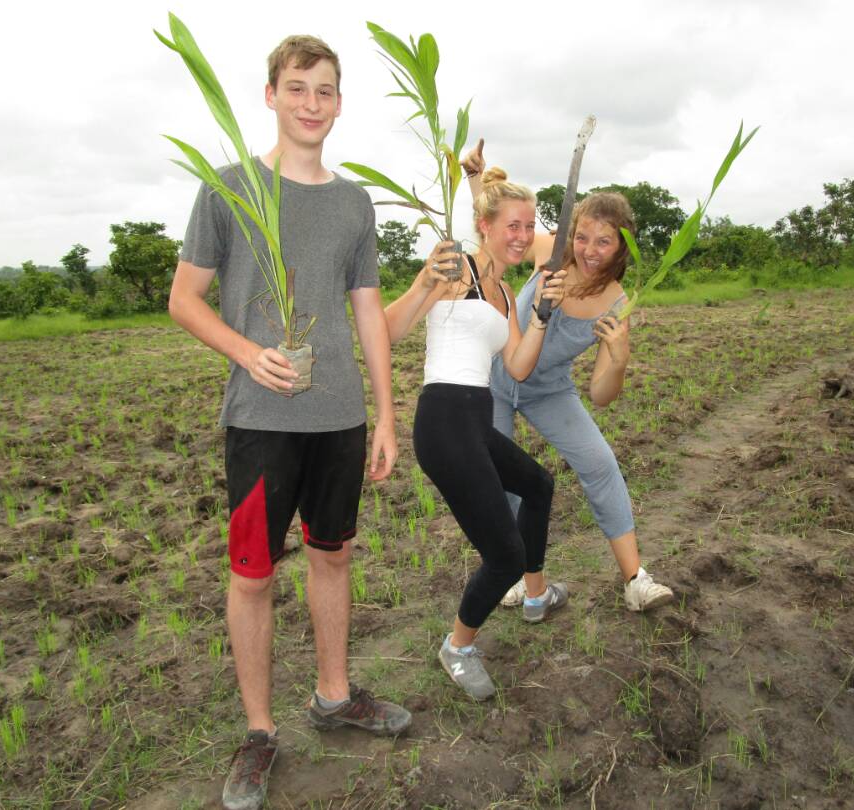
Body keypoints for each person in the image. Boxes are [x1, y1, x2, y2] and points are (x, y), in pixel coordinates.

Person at [168, 35, 409, 810]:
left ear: (340, 103)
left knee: (333, 556)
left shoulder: (354, 203)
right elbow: (183, 300)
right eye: (298, 87)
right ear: (270, 95)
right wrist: (248, 353)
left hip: (339, 419)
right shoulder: (229, 189)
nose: (312, 103)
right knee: (253, 573)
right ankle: (259, 732)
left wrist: (385, 414)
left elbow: (367, 311)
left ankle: (334, 696)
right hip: (260, 419)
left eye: (325, 90)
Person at [461, 142, 675, 613]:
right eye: (583, 237)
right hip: (493, 381)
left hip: (548, 391)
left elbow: (601, 395)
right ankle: (515, 576)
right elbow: (498, 236)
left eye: (604, 242)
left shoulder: (617, 305)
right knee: (502, 479)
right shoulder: (551, 253)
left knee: (599, 463)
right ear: (571, 234)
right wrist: (476, 181)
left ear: (621, 246)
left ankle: (635, 580)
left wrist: (618, 357)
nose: (590, 251)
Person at [383, 169, 567, 700]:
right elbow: (388, 330)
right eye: (513, 225)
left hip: (475, 421)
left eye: (530, 226)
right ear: (484, 226)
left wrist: (541, 317)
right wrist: (422, 282)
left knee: (538, 485)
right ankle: (458, 647)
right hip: (443, 421)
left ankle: (535, 595)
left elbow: (519, 365)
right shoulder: (455, 270)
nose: (523, 236)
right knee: (503, 554)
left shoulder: (505, 294)